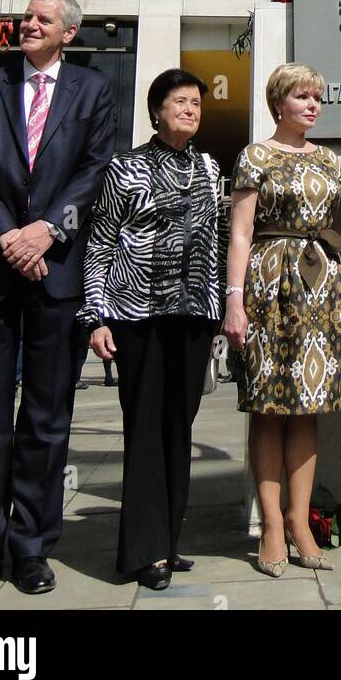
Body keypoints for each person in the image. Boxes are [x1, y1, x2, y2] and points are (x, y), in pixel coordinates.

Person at [0, 0, 115, 596]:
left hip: (57, 276)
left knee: (46, 419)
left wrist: (45, 231)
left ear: (68, 32)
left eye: (43, 18)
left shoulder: (92, 90)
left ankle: (32, 546)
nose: (28, 24)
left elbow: (93, 172)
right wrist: (10, 237)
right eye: (26, 16)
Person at [79, 69, 222, 589]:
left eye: (196, 103)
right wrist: (96, 315)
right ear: (156, 110)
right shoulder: (125, 167)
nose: (190, 110)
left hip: (193, 315)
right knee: (144, 428)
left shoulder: (209, 167)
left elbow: (219, 236)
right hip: (136, 313)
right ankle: (143, 553)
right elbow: (99, 241)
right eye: (180, 101)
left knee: (178, 427)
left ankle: (168, 541)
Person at [223, 64, 341, 577]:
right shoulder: (255, 155)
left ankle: (301, 521)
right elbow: (239, 232)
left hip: (322, 290)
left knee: (307, 407)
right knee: (268, 406)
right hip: (270, 284)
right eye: (302, 96)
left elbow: (338, 229)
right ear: (280, 102)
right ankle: (271, 524)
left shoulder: (328, 158)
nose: (313, 105)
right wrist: (234, 301)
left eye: (318, 97)